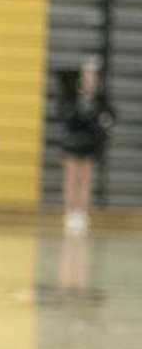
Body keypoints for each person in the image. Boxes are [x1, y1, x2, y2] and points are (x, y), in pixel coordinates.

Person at [57, 55, 115, 236]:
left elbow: (109, 115)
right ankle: (69, 211)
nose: (90, 77)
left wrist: (103, 120)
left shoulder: (100, 97)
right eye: (87, 73)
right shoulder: (72, 93)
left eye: (93, 74)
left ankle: (81, 212)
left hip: (89, 142)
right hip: (73, 141)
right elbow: (64, 113)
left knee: (85, 178)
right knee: (71, 178)